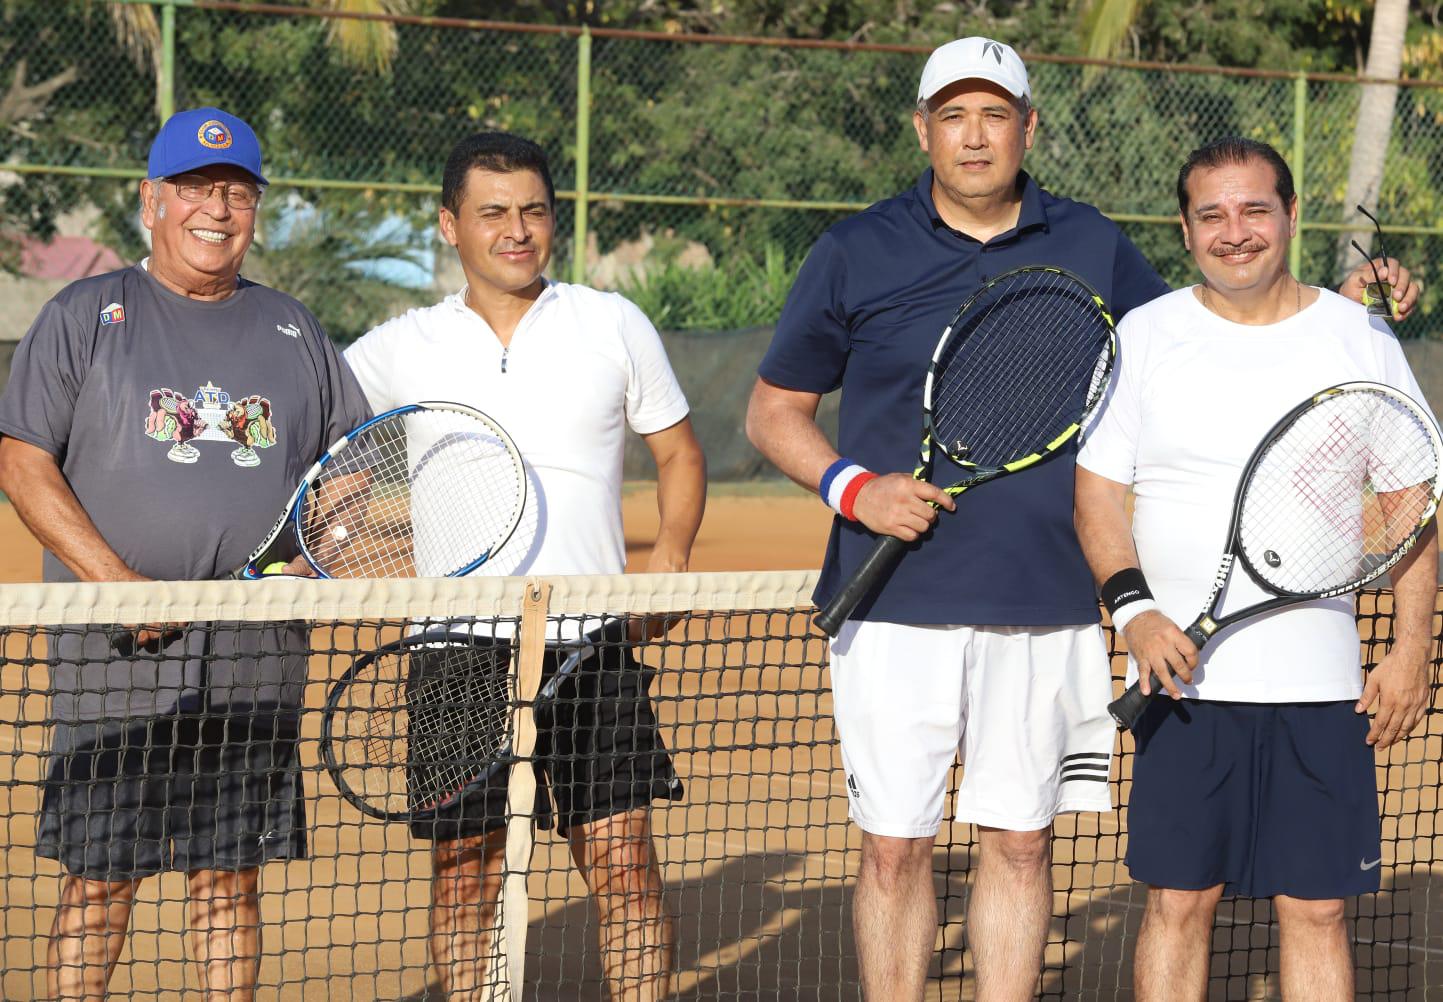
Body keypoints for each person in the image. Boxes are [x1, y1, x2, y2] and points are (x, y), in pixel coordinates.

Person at [744, 37, 1419, 1002]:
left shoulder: (1092, 243)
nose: (974, 136)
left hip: (1052, 602)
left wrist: (1342, 306)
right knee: (893, 850)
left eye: (994, 114)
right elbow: (773, 412)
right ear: (922, 129)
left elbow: (1219, 314)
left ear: (1027, 126)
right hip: (893, 607)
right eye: (952, 115)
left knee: (1021, 846)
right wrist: (857, 488)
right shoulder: (853, 248)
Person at [0, 107, 372, 999]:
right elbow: (20, 459)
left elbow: (354, 472)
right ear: (152, 201)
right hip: (112, 652)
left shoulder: (293, 329)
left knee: (227, 879)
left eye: (237, 191)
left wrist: (311, 554)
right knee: (100, 876)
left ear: (255, 210)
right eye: (196, 189)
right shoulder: (85, 314)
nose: (218, 208)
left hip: (253, 650)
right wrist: (118, 584)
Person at [342, 131, 706, 1001]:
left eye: (533, 211)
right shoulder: (400, 346)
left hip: (592, 642)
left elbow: (680, 456)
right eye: (493, 212)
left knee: (622, 862)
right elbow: (322, 460)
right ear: (448, 225)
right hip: (455, 651)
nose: (517, 231)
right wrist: (348, 535)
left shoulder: (611, 322)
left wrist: (672, 560)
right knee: (464, 870)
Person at [1073, 136, 1435, 1002]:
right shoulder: (1146, 335)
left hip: (1320, 688)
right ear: (1185, 228)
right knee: (1176, 902)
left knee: (1315, 913)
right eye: (1212, 215)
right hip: (1181, 684)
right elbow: (1094, 498)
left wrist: (1410, 647)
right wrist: (1135, 614)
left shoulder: (1359, 338)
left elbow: (1408, 506)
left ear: (1289, 217)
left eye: (1253, 210)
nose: (1234, 232)